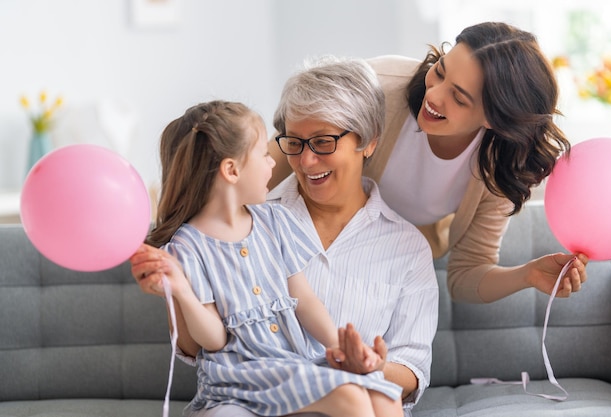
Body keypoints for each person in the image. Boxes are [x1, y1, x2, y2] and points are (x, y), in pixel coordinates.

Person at [132, 58, 438, 417]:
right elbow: (202, 344)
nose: (305, 161)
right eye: (293, 142)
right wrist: (176, 289)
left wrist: (362, 361)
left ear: (369, 142)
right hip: (248, 388)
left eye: (323, 142)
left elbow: (411, 368)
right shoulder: (252, 219)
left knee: (382, 399)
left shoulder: (405, 247)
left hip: (317, 379)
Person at [268, 21, 588, 304]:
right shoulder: (378, 85)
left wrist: (528, 275)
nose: (433, 95)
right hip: (311, 245)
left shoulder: (502, 167)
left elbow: (466, 277)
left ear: (496, 119)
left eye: (459, 97)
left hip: (382, 272)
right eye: (441, 71)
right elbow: (282, 152)